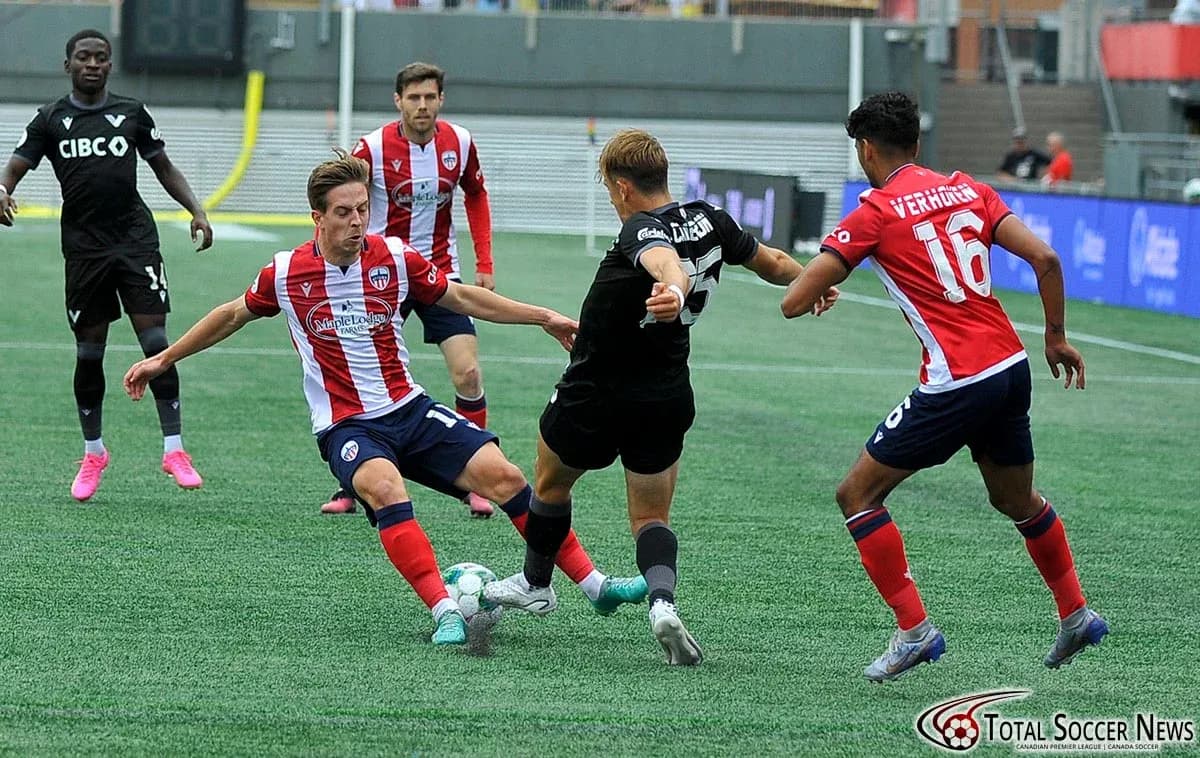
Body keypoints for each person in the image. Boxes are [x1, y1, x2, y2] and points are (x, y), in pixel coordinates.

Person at [123, 151, 647, 644]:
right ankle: (444, 610)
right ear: (317, 218)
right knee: (386, 488)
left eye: (364, 210)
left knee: (506, 477)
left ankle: (594, 587)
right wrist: (164, 358)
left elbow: (461, 296)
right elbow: (231, 313)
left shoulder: (394, 257)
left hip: (409, 409)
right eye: (345, 212)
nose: (358, 221)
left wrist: (543, 316)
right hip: (346, 426)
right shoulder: (286, 273)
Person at [780, 92, 1109, 682]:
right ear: (917, 142)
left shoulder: (874, 212)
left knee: (857, 495)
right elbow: (1048, 260)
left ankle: (914, 630)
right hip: (1010, 368)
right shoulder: (970, 189)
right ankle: (1075, 613)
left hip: (956, 380)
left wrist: (819, 284)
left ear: (866, 149)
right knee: (1016, 501)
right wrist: (1055, 337)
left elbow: (792, 302)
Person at [483, 129, 840, 665]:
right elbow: (770, 260)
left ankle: (537, 583)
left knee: (551, 482)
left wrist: (672, 289)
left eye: (608, 188)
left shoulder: (638, 229)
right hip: (665, 392)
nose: (610, 197)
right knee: (651, 515)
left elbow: (663, 262)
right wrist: (815, 280)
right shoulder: (712, 219)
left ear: (623, 186)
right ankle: (662, 604)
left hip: (594, 391)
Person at [0, 29, 213, 502]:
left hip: (135, 243)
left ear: (109, 65)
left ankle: (174, 449)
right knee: (89, 353)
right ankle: (94, 452)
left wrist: (196, 210)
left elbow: (163, 166)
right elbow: (16, 166)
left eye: (100, 57)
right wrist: (2, 189)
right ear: (68, 64)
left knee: (157, 342)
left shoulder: (131, 113)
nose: (92, 64)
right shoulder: (49, 119)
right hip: (84, 251)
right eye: (83, 57)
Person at [320, 61, 496, 519]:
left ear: (441, 99)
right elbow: (341, 188)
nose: (422, 105)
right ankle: (349, 483)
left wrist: (485, 262)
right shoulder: (374, 147)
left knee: (469, 375)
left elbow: (476, 194)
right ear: (398, 101)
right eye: (413, 97)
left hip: (440, 273)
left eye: (430, 97)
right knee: (360, 381)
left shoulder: (460, 143)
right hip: (380, 277)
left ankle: (474, 481)